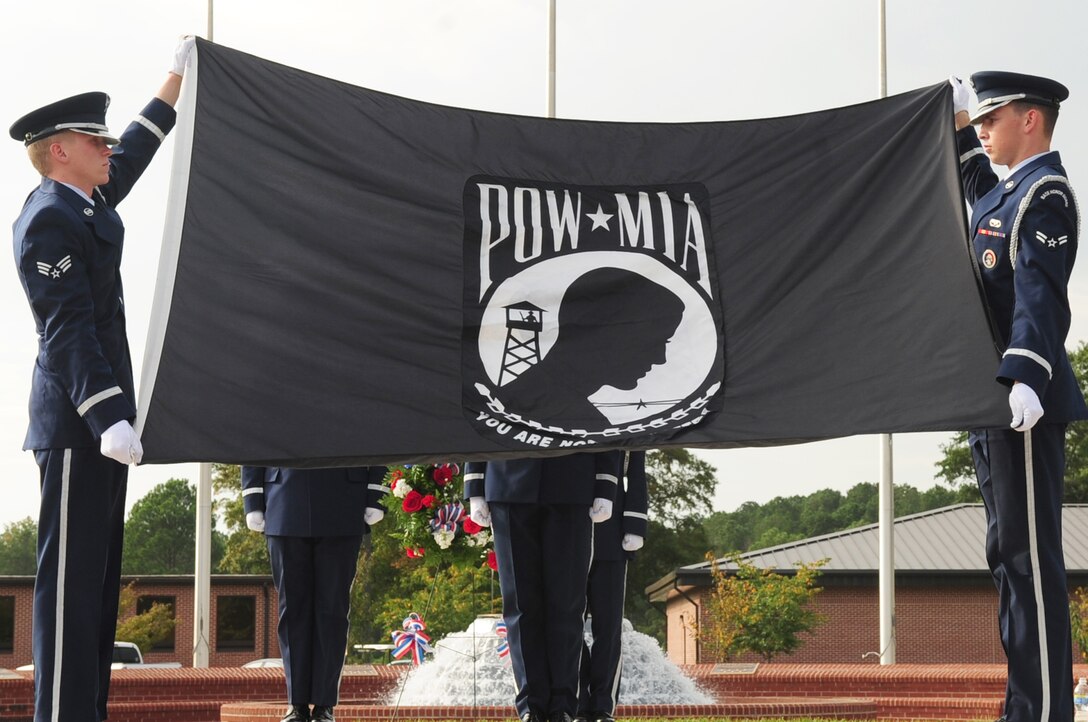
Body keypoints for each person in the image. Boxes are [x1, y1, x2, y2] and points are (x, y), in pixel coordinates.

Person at [8, 37, 195, 722]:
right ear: (60, 149)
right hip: (78, 425)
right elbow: (65, 328)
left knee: (96, 587)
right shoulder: (47, 219)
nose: (108, 150)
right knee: (67, 594)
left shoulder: (83, 202)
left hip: (105, 428)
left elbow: (137, 154)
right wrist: (106, 414)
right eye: (96, 142)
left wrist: (174, 81)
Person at [949, 71, 1088, 722]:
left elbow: (1040, 297)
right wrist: (954, 132)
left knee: (1031, 566)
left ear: (1030, 119)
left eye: (991, 116)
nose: (982, 126)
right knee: (1008, 562)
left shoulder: (1045, 193)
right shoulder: (1005, 196)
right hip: (991, 408)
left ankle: (1045, 713)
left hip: (1022, 403)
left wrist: (1029, 375)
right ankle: (1024, 707)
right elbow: (976, 192)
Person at [464, 452, 621, 722]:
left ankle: (563, 704)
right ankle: (530, 705)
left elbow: (601, 416)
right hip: (506, 480)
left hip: (572, 481)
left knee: (568, 605)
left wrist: (605, 483)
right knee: (520, 607)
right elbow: (480, 413)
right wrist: (474, 483)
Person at [242, 465, 389, 722]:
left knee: (332, 612)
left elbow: (378, 433)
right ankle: (296, 704)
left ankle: (324, 705)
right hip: (284, 499)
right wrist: (252, 497)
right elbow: (256, 431)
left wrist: (376, 493)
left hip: (343, 498)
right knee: (293, 613)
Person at [577, 450, 648, 722]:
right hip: (572, 537)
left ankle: (603, 705)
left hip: (612, 539)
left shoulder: (628, 428)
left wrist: (635, 524)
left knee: (608, 628)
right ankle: (579, 702)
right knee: (570, 626)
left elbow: (636, 475)